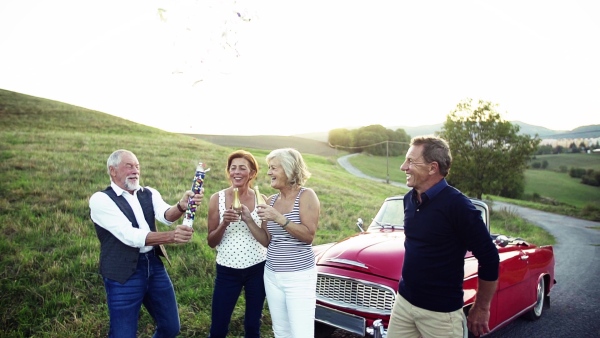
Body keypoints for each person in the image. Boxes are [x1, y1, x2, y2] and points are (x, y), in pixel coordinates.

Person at [386, 136, 500, 338]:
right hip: (403, 304)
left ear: (432, 168)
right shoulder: (408, 200)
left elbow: (489, 257)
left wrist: (482, 307)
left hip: (441, 315)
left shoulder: (458, 206)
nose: (404, 167)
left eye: (411, 161)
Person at [89, 149, 203, 338]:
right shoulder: (101, 199)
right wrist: (172, 237)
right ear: (113, 170)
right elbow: (129, 236)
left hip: (154, 267)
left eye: (137, 166)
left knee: (171, 327)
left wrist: (182, 206)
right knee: (122, 335)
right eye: (129, 166)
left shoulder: (148, 192)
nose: (135, 170)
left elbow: (166, 215)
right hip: (122, 274)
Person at [249, 148, 320, 338]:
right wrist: (248, 219)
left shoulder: (306, 196)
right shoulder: (271, 201)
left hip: (299, 277)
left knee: (301, 333)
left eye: (274, 168)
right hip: (272, 276)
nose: (269, 172)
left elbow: (308, 236)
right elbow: (266, 240)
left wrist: (279, 218)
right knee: (280, 332)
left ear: (289, 170)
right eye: (269, 168)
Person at [206, 150, 268, 338]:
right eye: (233, 168)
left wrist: (249, 220)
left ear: (252, 173)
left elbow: (266, 241)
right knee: (218, 325)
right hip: (227, 270)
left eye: (242, 168)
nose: (237, 172)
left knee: (252, 325)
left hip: (257, 269)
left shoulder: (262, 199)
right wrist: (224, 223)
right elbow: (211, 241)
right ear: (228, 172)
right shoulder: (217, 199)